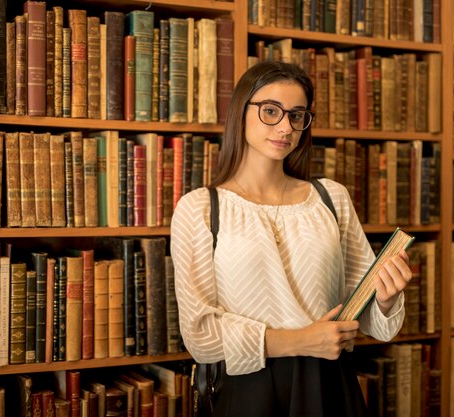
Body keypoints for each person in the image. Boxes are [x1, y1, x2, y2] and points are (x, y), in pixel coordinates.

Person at [170, 61, 413, 416]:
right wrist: (300, 340)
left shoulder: (331, 198)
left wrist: (387, 300)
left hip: (330, 382)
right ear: (241, 110)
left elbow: (368, 316)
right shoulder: (200, 208)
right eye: (271, 111)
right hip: (248, 388)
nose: (285, 126)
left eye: (297, 115)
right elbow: (200, 335)